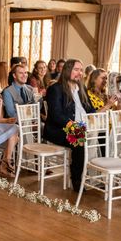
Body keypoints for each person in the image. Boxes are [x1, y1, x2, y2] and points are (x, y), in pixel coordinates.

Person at [43, 59, 96, 192]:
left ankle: (95, 175)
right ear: (68, 71)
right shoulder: (56, 88)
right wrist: (74, 126)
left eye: (81, 70)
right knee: (79, 140)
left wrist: (96, 118)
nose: (80, 73)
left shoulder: (81, 88)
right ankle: (77, 180)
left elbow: (90, 109)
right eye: (76, 70)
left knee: (103, 135)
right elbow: (56, 115)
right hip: (59, 129)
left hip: (81, 126)